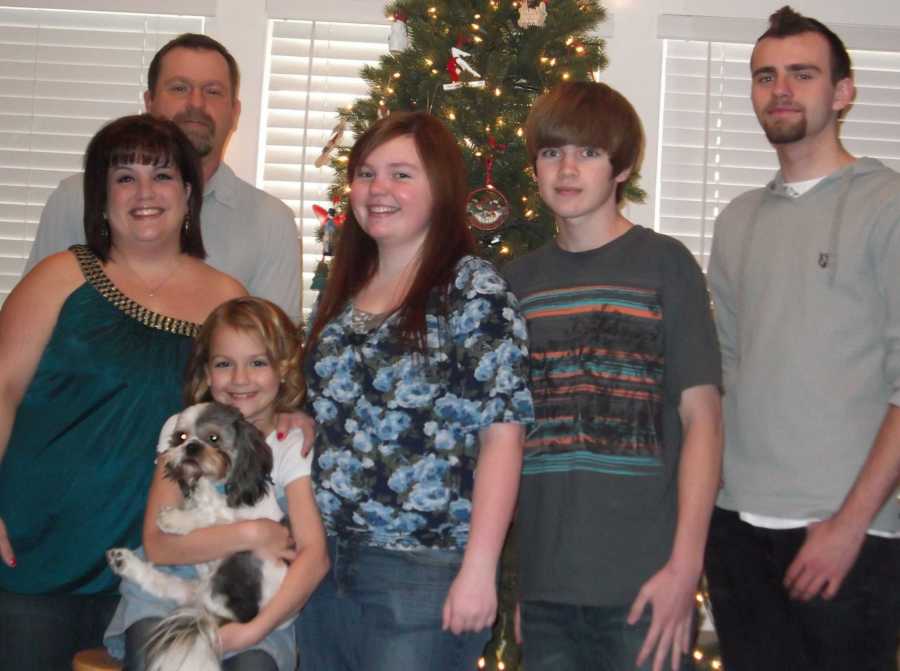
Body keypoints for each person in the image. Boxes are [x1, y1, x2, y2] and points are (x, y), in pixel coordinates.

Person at [0, 114, 246, 671]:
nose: (144, 192)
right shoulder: (60, 277)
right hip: (37, 550)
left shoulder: (225, 299)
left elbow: (252, 411)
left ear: (188, 193)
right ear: (101, 197)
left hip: (161, 568)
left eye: (161, 176)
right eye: (125, 176)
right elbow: (2, 388)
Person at [296, 111, 534, 671]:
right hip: (321, 565)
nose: (379, 189)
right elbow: (317, 403)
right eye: (366, 173)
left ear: (440, 189)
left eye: (402, 174)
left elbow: (503, 437)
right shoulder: (342, 292)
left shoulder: (474, 291)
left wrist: (480, 569)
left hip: (423, 573)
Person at [705, 7, 900, 671]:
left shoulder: (887, 206)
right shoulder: (736, 221)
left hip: (847, 534)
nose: (780, 88)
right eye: (765, 75)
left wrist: (848, 526)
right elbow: (725, 374)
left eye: (802, 74)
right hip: (735, 529)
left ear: (842, 92)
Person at [503, 81, 723, 671]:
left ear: (622, 166)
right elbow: (509, 442)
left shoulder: (665, 265)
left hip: (646, 586)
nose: (567, 168)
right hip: (547, 590)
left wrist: (685, 568)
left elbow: (703, 421)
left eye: (589, 153)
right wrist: (524, 584)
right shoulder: (515, 284)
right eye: (551, 153)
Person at [104, 296, 329, 671]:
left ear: (284, 371)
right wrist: (253, 534)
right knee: (160, 657)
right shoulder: (181, 429)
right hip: (166, 592)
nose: (240, 379)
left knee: (254, 665)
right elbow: (159, 546)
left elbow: (313, 557)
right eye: (224, 364)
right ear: (207, 373)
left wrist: (252, 631)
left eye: (258, 363)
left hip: (256, 604)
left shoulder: (291, 445)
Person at [26, 33, 301, 321]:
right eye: (179, 88)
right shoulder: (75, 198)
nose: (196, 103)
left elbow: (272, 355)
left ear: (235, 112)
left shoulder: (271, 222)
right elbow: (30, 324)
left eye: (213, 91)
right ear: (150, 101)